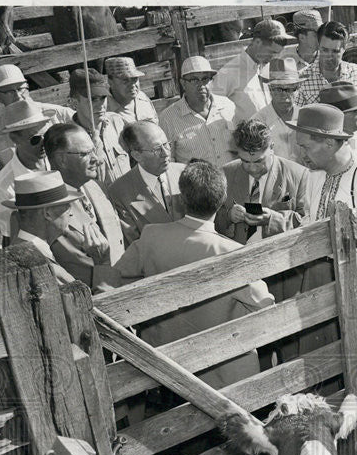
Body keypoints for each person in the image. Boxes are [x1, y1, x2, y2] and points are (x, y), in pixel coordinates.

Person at [113, 161, 275, 387]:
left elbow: (115, 282)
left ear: (181, 198)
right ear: (222, 201)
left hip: (165, 369)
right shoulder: (231, 254)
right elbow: (265, 307)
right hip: (223, 376)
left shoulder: (151, 236)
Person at [287, 104, 357, 356]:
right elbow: (311, 223)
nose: (301, 155)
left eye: (305, 147)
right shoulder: (315, 175)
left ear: (330, 144)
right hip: (319, 277)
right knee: (321, 357)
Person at [43, 122, 125, 288]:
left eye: (93, 150)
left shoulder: (95, 186)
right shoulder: (47, 208)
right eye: (85, 154)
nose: (96, 159)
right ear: (62, 159)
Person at [215, 118, 308, 244]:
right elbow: (207, 220)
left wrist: (271, 218)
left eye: (259, 161)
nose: (252, 168)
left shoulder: (299, 174)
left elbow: (307, 222)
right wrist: (229, 216)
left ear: (272, 147)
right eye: (245, 161)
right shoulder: (225, 173)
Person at [108, 121, 186, 243]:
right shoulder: (120, 192)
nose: (166, 153)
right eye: (157, 149)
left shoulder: (185, 172)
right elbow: (134, 244)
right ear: (137, 155)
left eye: (166, 144)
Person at [0, 64, 75, 164]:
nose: (17, 95)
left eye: (20, 88)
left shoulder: (59, 114)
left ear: (27, 86)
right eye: (9, 91)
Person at [210, 19, 295, 125]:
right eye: (271, 52)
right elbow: (213, 110)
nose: (274, 57)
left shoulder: (265, 67)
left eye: (277, 53)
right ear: (257, 42)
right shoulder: (229, 72)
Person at [159, 56, 237, 166]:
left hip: (233, 178)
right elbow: (168, 162)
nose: (201, 85)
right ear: (183, 83)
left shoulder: (228, 106)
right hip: (196, 183)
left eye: (205, 79)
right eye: (194, 80)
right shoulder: (168, 118)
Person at [1, 170, 85, 271]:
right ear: (47, 213)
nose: (71, 213)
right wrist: (102, 262)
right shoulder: (36, 261)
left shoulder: (25, 249)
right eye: (66, 207)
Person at [0, 100, 52, 237]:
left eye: (46, 136)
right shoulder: (4, 185)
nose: (43, 143)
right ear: (15, 139)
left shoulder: (58, 158)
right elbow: (8, 233)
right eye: (35, 139)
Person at [69, 68, 130, 187]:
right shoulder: (69, 138)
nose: (101, 104)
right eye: (93, 99)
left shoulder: (117, 122)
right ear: (75, 102)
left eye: (103, 98)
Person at [296, 21, 357, 107]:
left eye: (335, 51)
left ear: (344, 49)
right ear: (318, 46)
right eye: (325, 50)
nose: (329, 56)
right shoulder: (301, 79)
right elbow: (296, 116)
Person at [253, 58, 305, 164]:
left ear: (298, 88)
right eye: (278, 89)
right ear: (270, 89)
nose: (284, 96)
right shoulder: (257, 122)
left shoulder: (307, 117)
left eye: (290, 89)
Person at [105, 56, 159, 124]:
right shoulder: (103, 110)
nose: (133, 85)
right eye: (125, 80)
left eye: (135, 79)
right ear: (110, 82)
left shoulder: (142, 98)